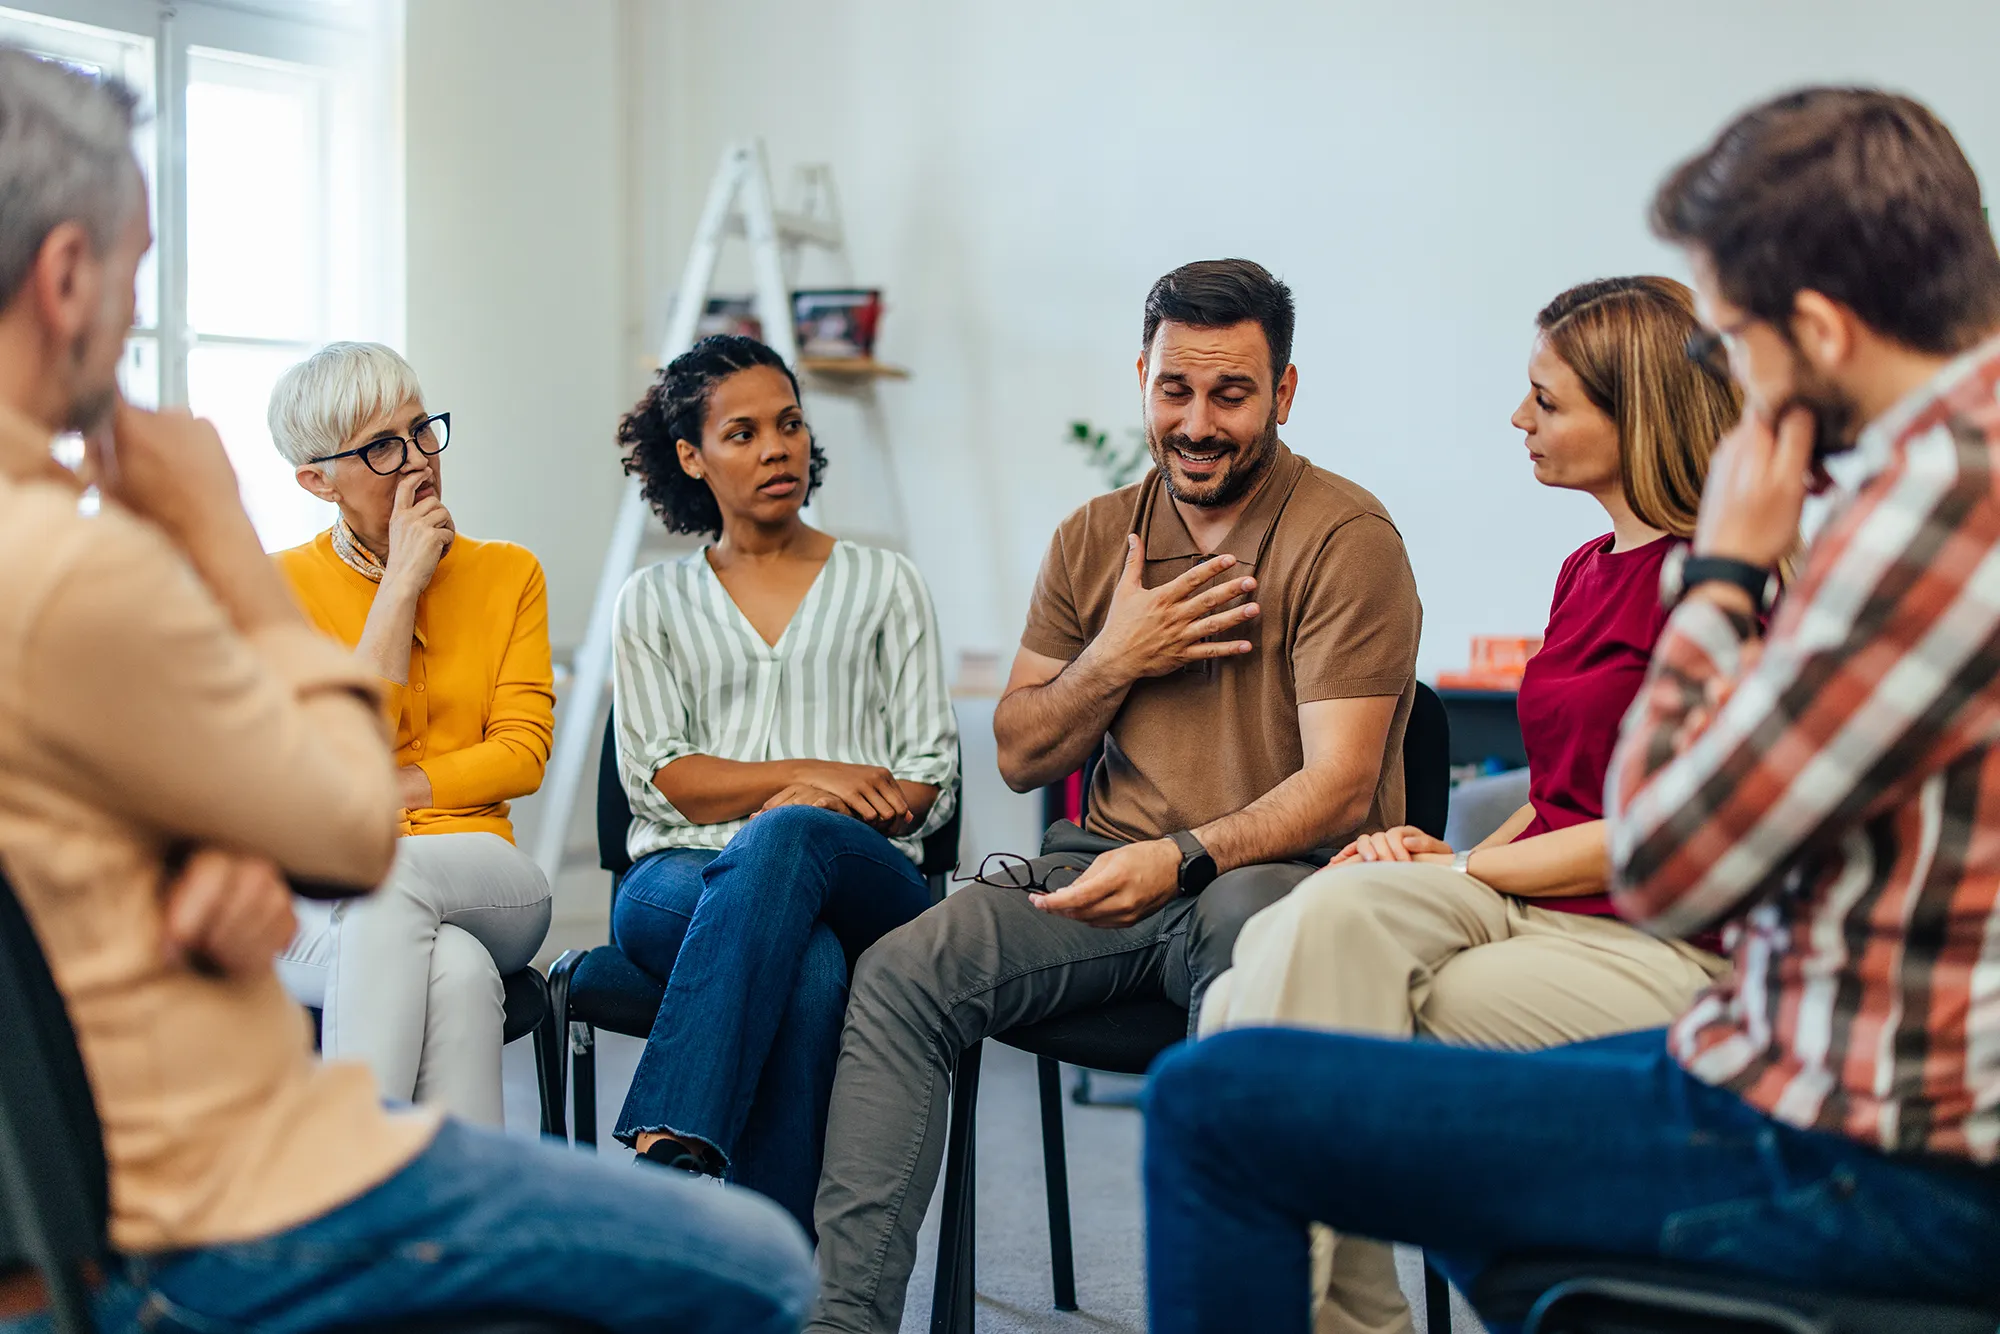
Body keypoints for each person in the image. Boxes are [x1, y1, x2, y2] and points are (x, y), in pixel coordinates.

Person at [1144, 88, 2000, 1334]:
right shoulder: (1929, 484)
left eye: (1734, 338)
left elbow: (1667, 858)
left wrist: (1720, 570)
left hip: (1843, 1130)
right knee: (1304, 1010)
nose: (1726, 375)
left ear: (1815, 327)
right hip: (1821, 1058)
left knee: (1215, 1102)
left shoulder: (1909, 522)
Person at [0, 49, 811, 1334]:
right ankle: (386, 1219)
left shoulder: (49, 565)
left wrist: (203, 849)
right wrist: (216, 535)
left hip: (166, 1124)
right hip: (226, 1187)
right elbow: (339, 827)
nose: (419, 455)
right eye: (139, 269)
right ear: (63, 280)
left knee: (437, 955)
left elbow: (152, 808)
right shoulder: (100, 568)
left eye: (425, 427)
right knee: (763, 1261)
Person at [808, 258, 1423, 1333]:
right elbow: (1014, 751)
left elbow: (1338, 789)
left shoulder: (1344, 540)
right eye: (1173, 389)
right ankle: (842, 1319)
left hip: (1268, 887)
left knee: (1247, 921)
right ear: (1141, 376)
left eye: (1230, 393)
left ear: (1282, 392)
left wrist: (1181, 855)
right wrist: (1116, 653)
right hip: (1100, 877)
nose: (1196, 421)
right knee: (904, 967)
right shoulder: (1092, 538)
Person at [1198, 275, 1739, 1332]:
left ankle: (1306, 1317)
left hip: (1667, 943)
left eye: (1545, 400)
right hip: (1543, 904)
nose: (1516, 418)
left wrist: (1459, 867)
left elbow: (1659, 836)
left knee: (1265, 1012)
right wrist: (1438, 847)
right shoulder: (1585, 569)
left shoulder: (1716, 589)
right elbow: (1559, 793)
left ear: (1635, 414)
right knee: (1300, 948)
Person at [608, 333, 959, 1235]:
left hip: (862, 874)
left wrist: (813, 808)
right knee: (808, 967)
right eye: (743, 433)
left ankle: (671, 1127)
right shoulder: (653, 600)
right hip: (676, 881)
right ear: (691, 457)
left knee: (790, 837)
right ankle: (791, 1279)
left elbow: (928, 775)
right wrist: (819, 775)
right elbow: (665, 777)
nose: (776, 448)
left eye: (790, 424)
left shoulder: (886, 583)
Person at [268, 340, 553, 1127]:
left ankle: (348, 1175)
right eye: (384, 448)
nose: (420, 460)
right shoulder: (276, 588)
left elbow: (521, 754)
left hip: (486, 875)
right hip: (324, 898)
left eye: (423, 429)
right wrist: (400, 585)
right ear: (317, 480)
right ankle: (463, 1235)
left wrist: (393, 790)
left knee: (392, 880)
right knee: (455, 976)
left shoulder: (510, 573)